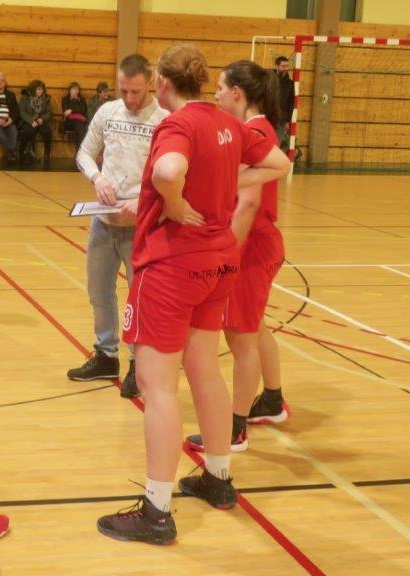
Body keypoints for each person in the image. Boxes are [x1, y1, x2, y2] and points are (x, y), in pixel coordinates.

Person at [95, 44, 290, 545]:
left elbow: (167, 172)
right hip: (218, 262)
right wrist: (223, 182)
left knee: (158, 386)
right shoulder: (229, 124)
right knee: (204, 369)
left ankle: (157, 510)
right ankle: (218, 478)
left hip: (174, 265)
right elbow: (279, 163)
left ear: (162, 82)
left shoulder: (178, 124)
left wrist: (177, 201)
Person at [185, 60, 292, 456]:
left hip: (250, 248)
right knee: (254, 328)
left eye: (220, 87)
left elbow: (247, 203)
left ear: (237, 93)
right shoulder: (257, 129)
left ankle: (234, 430)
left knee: (241, 339)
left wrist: (225, 254)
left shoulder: (253, 133)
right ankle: (273, 401)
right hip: (262, 244)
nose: (215, 94)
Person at [69, 54, 168, 398]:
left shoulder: (164, 119)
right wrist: (97, 178)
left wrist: (144, 200)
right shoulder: (108, 112)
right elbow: (84, 153)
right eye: (123, 90)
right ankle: (105, 355)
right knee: (98, 291)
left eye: (136, 91)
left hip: (143, 225)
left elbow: (173, 173)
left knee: (139, 298)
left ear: (150, 82)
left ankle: (138, 363)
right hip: (104, 221)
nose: (129, 98)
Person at [18, 79, 54, 169]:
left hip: (40, 120)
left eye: (41, 89)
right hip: (28, 120)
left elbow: (48, 113)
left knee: (47, 132)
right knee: (27, 131)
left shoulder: (46, 98)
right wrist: (31, 121)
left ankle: (47, 155)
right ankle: (22, 152)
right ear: (33, 89)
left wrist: (42, 119)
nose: (40, 91)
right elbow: (22, 112)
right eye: (38, 89)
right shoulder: (25, 98)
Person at [61, 82, 89, 152]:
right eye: (73, 89)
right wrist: (74, 101)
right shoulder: (65, 99)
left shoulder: (82, 99)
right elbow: (66, 113)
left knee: (79, 126)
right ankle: (80, 151)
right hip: (68, 122)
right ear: (70, 90)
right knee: (79, 126)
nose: (76, 91)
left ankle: (79, 150)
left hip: (79, 122)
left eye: (77, 89)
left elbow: (83, 110)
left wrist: (71, 110)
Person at [274, 56, 293, 150]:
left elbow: (290, 103)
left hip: (281, 120)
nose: (285, 68)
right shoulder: (269, 79)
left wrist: (287, 121)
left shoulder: (290, 84)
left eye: (287, 66)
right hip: (268, 117)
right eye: (283, 66)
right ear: (277, 66)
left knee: (277, 144)